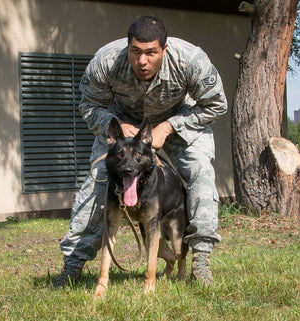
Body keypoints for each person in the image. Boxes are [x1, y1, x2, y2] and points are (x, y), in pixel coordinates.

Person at [52, 16, 227, 288]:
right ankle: (72, 266)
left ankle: (200, 262)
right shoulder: (106, 61)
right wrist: (118, 126)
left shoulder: (192, 61)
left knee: (200, 174)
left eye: (150, 53)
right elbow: (88, 106)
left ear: (164, 49)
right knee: (97, 183)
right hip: (123, 131)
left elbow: (216, 105)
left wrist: (169, 127)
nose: (142, 61)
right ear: (127, 47)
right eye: (135, 52)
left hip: (181, 122)